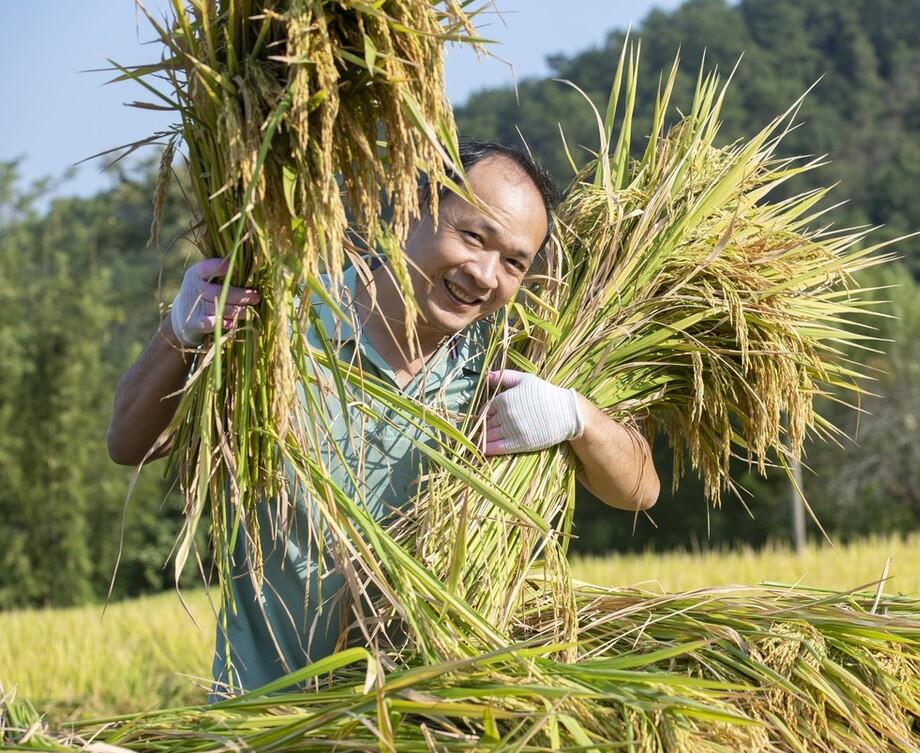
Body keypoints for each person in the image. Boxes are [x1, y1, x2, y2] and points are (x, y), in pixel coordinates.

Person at [107, 141, 660, 695]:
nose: (486, 274)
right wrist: (178, 333)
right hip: (264, 721)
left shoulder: (510, 366)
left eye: (514, 262)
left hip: (434, 722)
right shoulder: (282, 327)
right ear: (414, 206)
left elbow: (639, 491)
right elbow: (130, 443)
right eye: (473, 236)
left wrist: (576, 416)